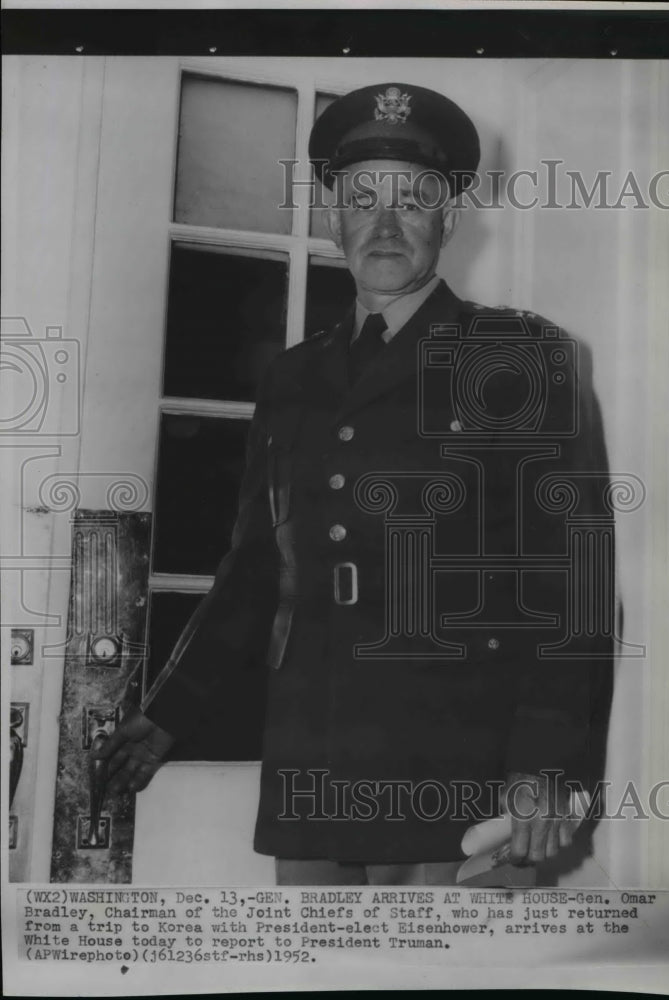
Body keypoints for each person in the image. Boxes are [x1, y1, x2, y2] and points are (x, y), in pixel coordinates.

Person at [96, 82, 613, 886]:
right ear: (330, 215)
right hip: (313, 754)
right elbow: (256, 568)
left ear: (449, 216)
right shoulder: (293, 375)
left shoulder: (516, 357)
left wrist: (547, 764)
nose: (382, 223)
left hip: (459, 758)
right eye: (360, 197)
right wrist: (168, 712)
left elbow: (571, 577)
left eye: (412, 200)